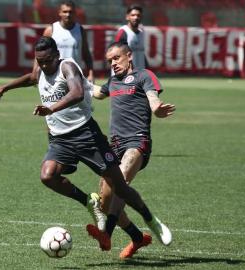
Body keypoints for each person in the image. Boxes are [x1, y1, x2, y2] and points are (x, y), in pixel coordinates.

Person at [0, 36, 171, 252]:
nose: (44, 66)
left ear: (57, 55)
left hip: (99, 137)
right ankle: (101, 212)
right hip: (68, 139)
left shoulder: (70, 67)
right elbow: (35, 78)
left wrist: (52, 108)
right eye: (40, 61)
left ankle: (150, 221)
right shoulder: (107, 80)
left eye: (47, 61)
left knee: (120, 187)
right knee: (52, 177)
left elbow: (77, 93)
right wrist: (5, 87)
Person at [88, 41, 176, 259]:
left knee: (122, 180)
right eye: (109, 61)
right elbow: (100, 93)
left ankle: (106, 233)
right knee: (106, 202)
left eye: (116, 58)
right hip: (114, 145)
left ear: (129, 56)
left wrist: (156, 108)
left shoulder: (144, 75)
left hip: (137, 141)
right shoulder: (113, 80)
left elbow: (153, 98)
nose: (113, 64)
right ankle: (137, 237)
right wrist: (80, 84)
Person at [41, 0, 94, 82]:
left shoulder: (80, 30)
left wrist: (91, 74)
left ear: (75, 13)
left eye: (70, 12)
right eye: (65, 12)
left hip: (75, 76)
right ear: (60, 12)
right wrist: (36, 70)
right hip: (55, 77)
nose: (68, 14)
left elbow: (86, 54)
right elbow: (41, 52)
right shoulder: (51, 30)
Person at [114, 4, 147, 70]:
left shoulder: (141, 33)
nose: (136, 17)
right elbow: (115, 54)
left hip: (140, 74)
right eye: (133, 15)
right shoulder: (123, 32)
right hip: (126, 74)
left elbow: (141, 54)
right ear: (127, 17)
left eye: (138, 15)